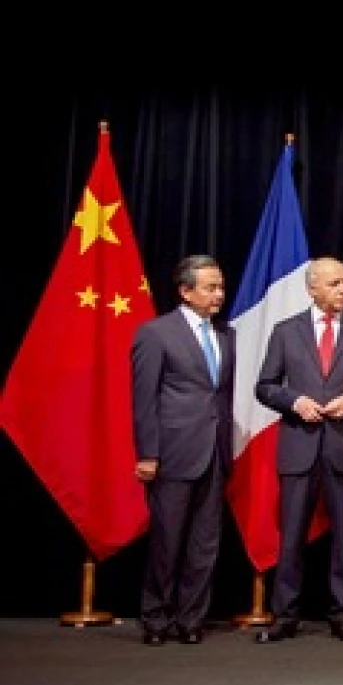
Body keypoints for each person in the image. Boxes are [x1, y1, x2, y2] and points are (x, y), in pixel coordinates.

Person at [252, 257, 343, 644]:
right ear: (312, 289)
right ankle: (285, 615)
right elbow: (265, 386)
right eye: (334, 284)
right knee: (291, 535)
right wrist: (294, 401)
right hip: (299, 447)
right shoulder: (286, 332)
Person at [130, 254, 233, 646]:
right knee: (166, 540)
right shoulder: (156, 334)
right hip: (173, 452)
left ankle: (191, 619)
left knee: (205, 544)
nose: (218, 295)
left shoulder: (227, 335)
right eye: (210, 288)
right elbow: (144, 400)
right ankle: (155, 619)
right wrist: (148, 453)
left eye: (221, 287)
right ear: (185, 291)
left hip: (215, 453)